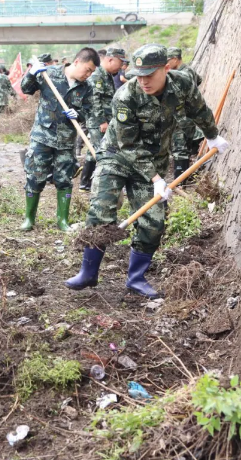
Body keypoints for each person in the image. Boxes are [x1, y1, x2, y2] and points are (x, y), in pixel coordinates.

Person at [65, 44, 228, 298]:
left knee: (153, 221)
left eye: (149, 75)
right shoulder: (125, 97)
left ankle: (136, 278)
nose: (143, 81)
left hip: (156, 159)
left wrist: (213, 136)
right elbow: (129, 145)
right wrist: (156, 179)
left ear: (166, 68)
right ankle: (88, 273)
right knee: (102, 205)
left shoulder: (183, 83)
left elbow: (199, 110)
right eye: (139, 75)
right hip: (117, 155)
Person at [19, 48, 99, 232]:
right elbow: (26, 89)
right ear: (77, 61)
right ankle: (29, 219)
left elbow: (88, 111)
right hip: (42, 137)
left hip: (66, 141)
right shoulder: (50, 74)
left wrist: (78, 114)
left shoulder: (87, 87)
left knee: (64, 180)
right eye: (87, 69)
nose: (88, 74)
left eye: (92, 72)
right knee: (35, 177)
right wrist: (31, 73)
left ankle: (62, 221)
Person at [81, 47, 127, 192]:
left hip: (105, 120)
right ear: (110, 59)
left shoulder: (107, 75)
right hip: (98, 122)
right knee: (101, 152)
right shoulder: (98, 75)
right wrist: (102, 121)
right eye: (120, 63)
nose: (121, 67)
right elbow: (95, 99)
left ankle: (85, 183)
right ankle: (100, 185)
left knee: (92, 151)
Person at [167, 46, 204, 179]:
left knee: (179, 145)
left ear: (176, 59)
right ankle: (186, 174)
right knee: (183, 144)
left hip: (182, 113)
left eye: (168, 60)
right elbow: (199, 80)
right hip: (187, 112)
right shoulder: (188, 70)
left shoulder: (183, 73)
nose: (166, 64)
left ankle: (180, 178)